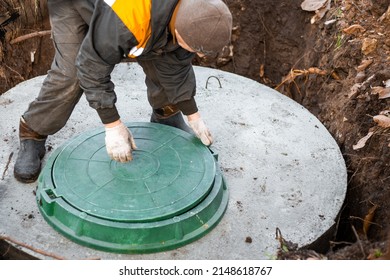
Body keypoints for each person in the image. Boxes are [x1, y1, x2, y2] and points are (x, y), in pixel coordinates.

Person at [13, 0, 233, 183]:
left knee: (167, 51)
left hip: (133, 17)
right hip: (77, 6)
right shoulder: (131, 20)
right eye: (195, 49)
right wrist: (113, 125)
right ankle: (33, 132)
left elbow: (175, 64)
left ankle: (167, 115)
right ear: (178, 26)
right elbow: (91, 66)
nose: (197, 55)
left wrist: (192, 113)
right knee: (71, 75)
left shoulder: (199, 10)